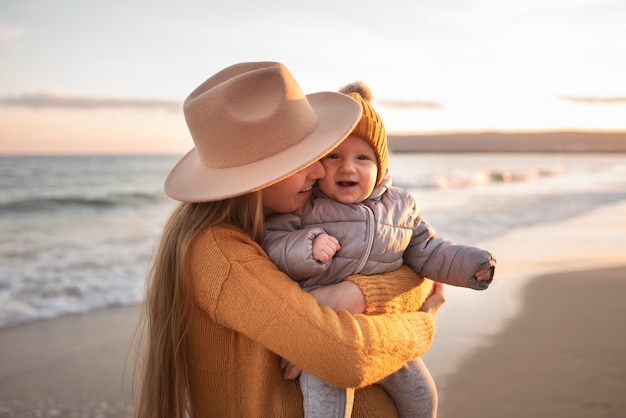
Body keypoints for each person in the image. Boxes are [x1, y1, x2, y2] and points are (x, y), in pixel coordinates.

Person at [136, 61, 446, 418]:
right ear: (256, 176)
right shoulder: (220, 253)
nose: (319, 171)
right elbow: (344, 356)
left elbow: (413, 270)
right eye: (302, 160)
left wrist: (358, 295)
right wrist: (424, 323)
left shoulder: (282, 231)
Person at [264, 81, 496, 418]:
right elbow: (274, 243)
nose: (348, 167)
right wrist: (308, 246)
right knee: (327, 406)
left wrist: (471, 266)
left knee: (422, 398)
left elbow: (427, 250)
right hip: (326, 335)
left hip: (379, 331)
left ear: (380, 166)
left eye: (362, 157)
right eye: (334, 156)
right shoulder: (306, 208)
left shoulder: (400, 206)